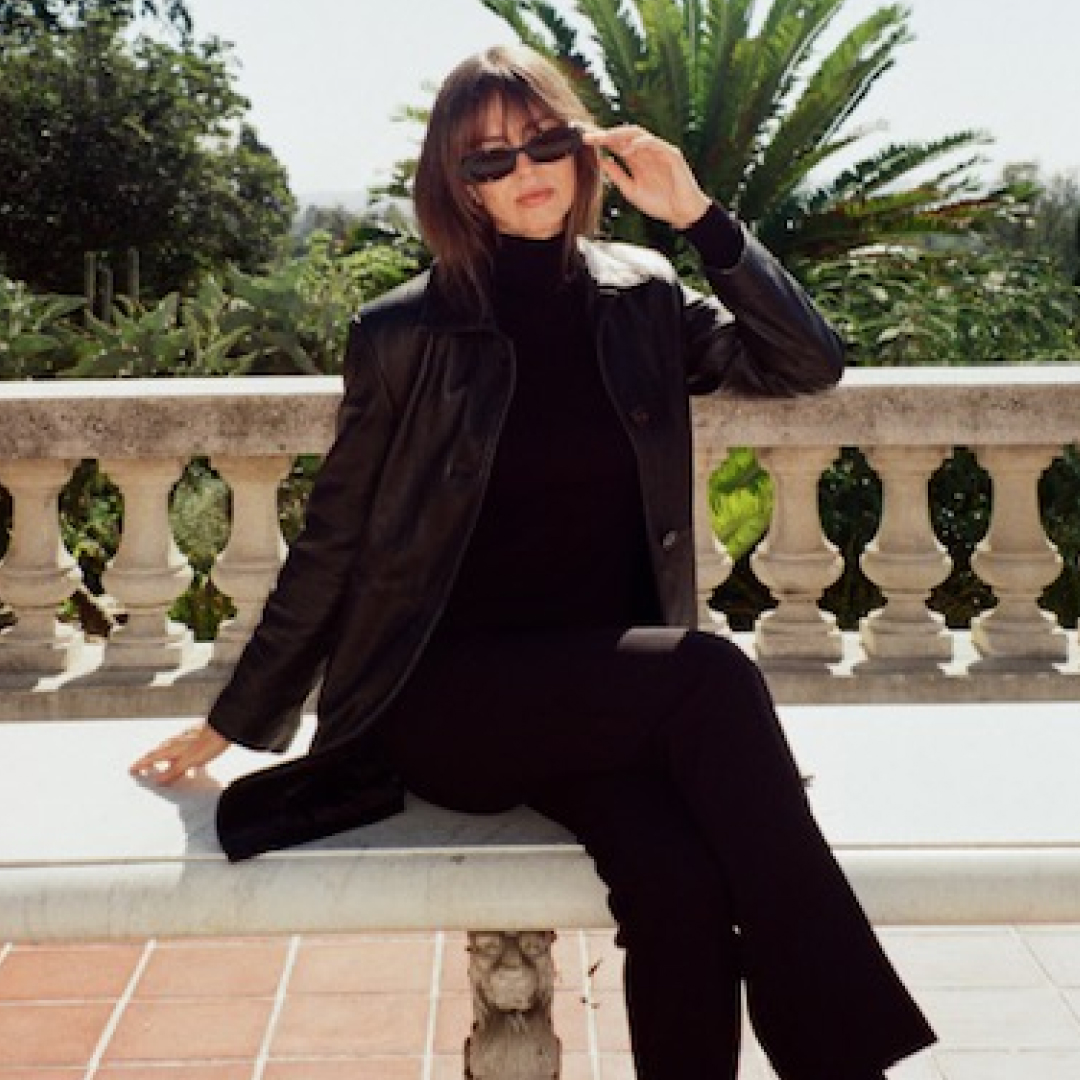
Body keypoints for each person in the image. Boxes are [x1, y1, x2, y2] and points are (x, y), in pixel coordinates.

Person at [131, 44, 935, 1080]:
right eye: (490, 159)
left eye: (545, 142)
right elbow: (335, 540)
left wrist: (700, 218)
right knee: (713, 676)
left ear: (583, 147)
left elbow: (805, 364)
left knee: (681, 884)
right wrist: (236, 718)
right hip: (455, 700)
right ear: (456, 185)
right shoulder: (404, 333)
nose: (527, 172)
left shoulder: (641, 295)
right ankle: (845, 1060)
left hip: (604, 697)